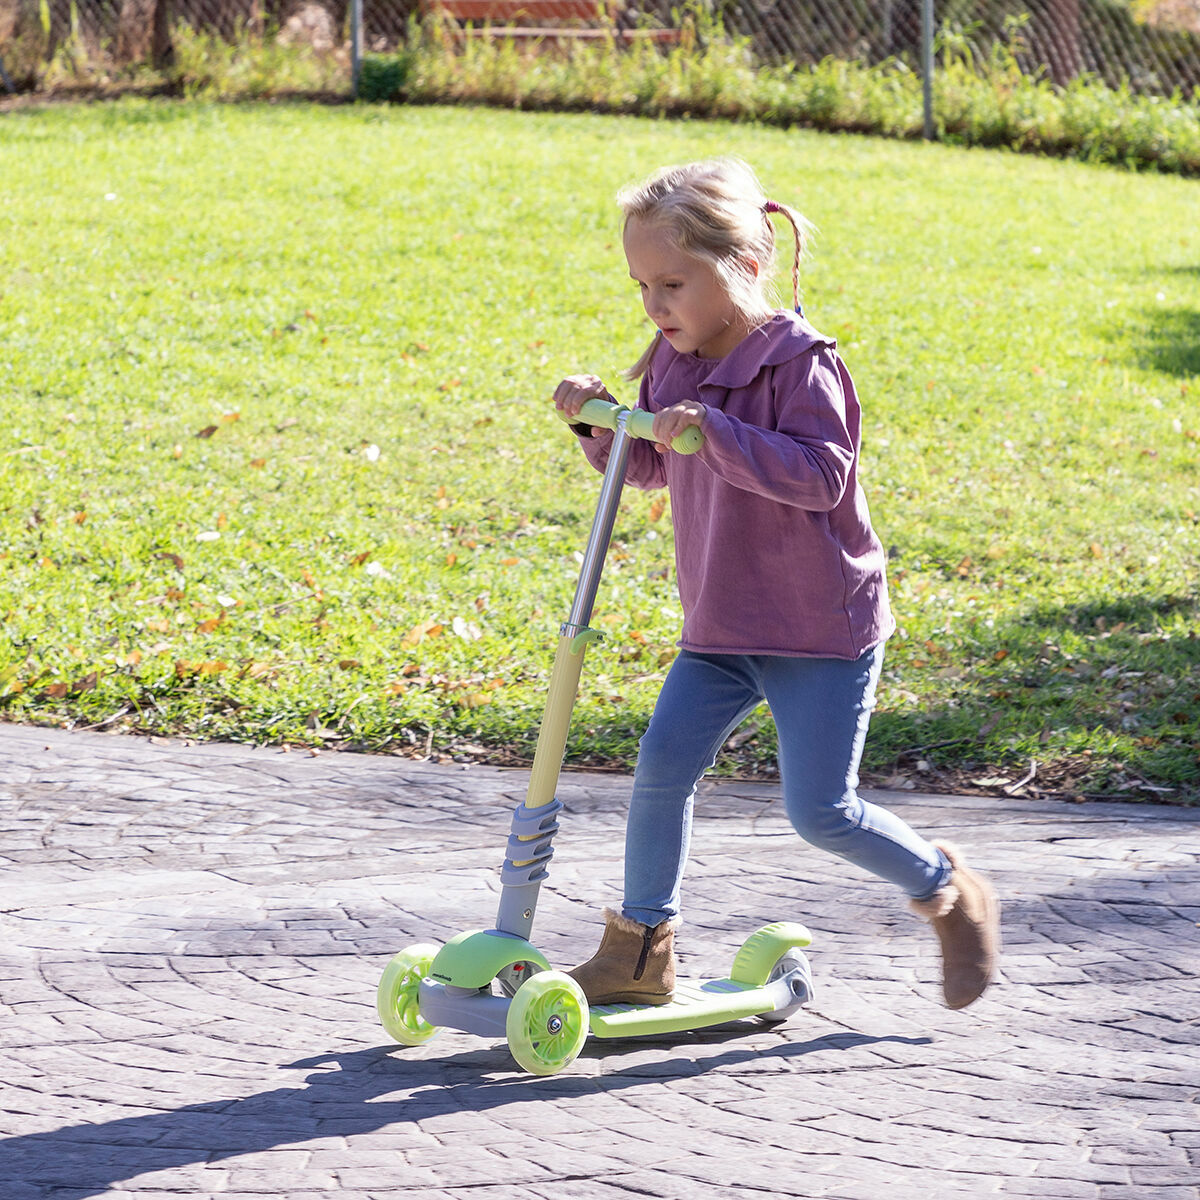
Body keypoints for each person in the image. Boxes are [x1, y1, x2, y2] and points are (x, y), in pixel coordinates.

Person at [552, 158, 999, 1011]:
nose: (655, 305)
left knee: (822, 811)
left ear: (743, 268)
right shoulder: (671, 359)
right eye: (642, 284)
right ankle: (643, 951)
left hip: (817, 627)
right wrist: (598, 420)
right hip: (722, 622)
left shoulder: (802, 365)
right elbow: (651, 461)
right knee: (659, 772)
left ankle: (947, 888)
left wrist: (717, 432)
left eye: (673, 284)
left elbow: (823, 477)